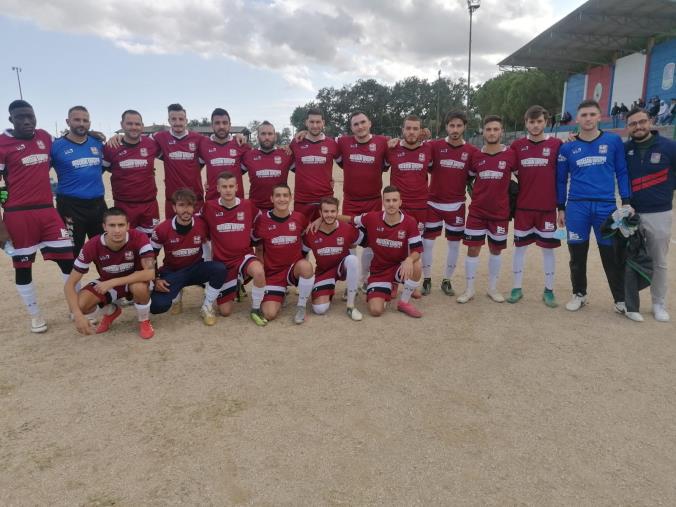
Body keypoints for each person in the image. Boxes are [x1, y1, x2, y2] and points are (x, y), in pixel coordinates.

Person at [0, 99, 74, 333]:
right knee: (23, 267)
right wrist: (0, 229)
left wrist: (90, 133)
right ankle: (35, 315)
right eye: (20, 117)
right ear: (11, 119)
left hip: (47, 211)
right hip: (17, 215)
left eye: (30, 116)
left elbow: (67, 143)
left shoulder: (44, 137)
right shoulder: (1, 144)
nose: (26, 121)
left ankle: (76, 307)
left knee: (68, 262)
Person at [556, 99, 631, 313]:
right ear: (577, 119)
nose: (588, 119)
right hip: (577, 207)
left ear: (600, 117)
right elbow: (561, 180)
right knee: (577, 255)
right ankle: (579, 294)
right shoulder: (567, 147)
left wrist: (625, 202)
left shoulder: (613, 141)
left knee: (612, 254)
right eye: (584, 115)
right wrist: (560, 207)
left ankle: (620, 299)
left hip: (606, 207)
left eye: (592, 114)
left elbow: (622, 171)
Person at [65, 207, 156, 339]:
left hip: (132, 281)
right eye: (112, 225)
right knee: (81, 305)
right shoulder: (92, 245)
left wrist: (113, 282)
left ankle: (144, 320)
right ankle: (111, 311)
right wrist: (77, 315)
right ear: (104, 227)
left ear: (128, 226)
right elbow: (69, 285)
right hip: (108, 282)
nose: (117, 230)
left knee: (139, 287)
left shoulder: (139, 237)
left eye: (121, 225)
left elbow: (150, 274)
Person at [507, 105, 563, 307]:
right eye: (532, 122)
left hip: (547, 208)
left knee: (548, 250)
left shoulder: (557, 144)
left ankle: (549, 290)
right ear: (526, 123)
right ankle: (516, 287)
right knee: (519, 249)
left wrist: (561, 207)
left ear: (546, 122)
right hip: (523, 208)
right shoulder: (517, 146)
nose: (536, 125)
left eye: (539, 121)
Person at [624, 107, 676, 322]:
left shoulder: (669, 147)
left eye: (642, 122)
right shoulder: (625, 149)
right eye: (633, 123)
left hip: (659, 213)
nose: (638, 126)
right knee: (628, 260)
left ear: (651, 122)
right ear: (628, 127)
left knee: (659, 260)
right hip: (631, 213)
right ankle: (629, 303)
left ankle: (658, 303)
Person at [458, 115, 517, 304]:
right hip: (477, 213)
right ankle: (469, 289)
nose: (492, 133)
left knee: (496, 250)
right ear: (483, 131)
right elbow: (468, 179)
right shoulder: (476, 155)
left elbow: (522, 179)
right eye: (488, 129)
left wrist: (512, 203)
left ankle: (492, 289)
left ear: (502, 131)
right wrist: (474, 195)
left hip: (500, 214)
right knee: (472, 249)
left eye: (496, 129)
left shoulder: (510, 154)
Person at [149, 189, 226, 325]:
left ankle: (207, 306)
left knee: (219, 269)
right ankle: (177, 296)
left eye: (189, 205)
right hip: (173, 271)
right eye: (181, 205)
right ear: (174, 207)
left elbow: (210, 243)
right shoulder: (162, 229)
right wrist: (155, 279)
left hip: (195, 268)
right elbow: (150, 257)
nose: (186, 210)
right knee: (157, 306)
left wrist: (209, 261)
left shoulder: (201, 224)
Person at [421, 110, 478, 296]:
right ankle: (427, 279)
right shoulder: (434, 146)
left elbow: (472, 177)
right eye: (451, 125)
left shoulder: (471, 151)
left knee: (454, 244)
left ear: (464, 127)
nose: (455, 129)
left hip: (457, 205)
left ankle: (447, 279)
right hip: (433, 203)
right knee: (427, 243)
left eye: (459, 125)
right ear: (446, 127)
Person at [200, 171, 268, 325]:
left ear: (237, 187)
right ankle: (236, 283)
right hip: (222, 263)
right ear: (217, 188)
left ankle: (256, 309)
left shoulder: (247, 205)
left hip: (243, 256)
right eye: (224, 187)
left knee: (258, 272)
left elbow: (260, 219)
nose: (228, 190)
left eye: (231, 186)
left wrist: (255, 239)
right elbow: (198, 223)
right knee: (225, 312)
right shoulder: (209, 206)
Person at [354, 185, 423, 318]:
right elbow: (351, 220)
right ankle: (389, 287)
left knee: (416, 264)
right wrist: (323, 218)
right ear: (383, 202)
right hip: (379, 271)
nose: (391, 204)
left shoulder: (410, 221)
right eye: (388, 200)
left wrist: (409, 259)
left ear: (400, 202)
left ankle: (403, 302)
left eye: (394, 200)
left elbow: (417, 250)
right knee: (376, 311)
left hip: (399, 267)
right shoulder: (372, 217)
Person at [253, 184, 315, 324]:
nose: (282, 199)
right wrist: (261, 274)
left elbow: (310, 233)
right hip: (273, 274)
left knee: (306, 266)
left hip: (293, 270)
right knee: (269, 314)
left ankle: (301, 306)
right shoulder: (263, 219)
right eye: (278, 196)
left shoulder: (299, 218)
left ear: (290, 198)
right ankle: (280, 293)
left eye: (285, 195)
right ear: (272, 199)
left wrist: (318, 220)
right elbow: (258, 248)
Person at [51, 105, 107, 256]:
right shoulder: (55, 146)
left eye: (85, 120)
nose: (81, 123)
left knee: (104, 248)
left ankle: (106, 280)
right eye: (77, 120)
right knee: (72, 251)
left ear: (89, 123)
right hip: (70, 207)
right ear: (68, 121)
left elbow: (105, 166)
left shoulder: (97, 143)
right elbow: (40, 172)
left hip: (98, 205)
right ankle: (75, 281)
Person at [303, 196, 364, 321]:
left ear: (337, 212)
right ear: (320, 213)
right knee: (320, 309)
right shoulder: (311, 232)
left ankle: (351, 306)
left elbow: (366, 240)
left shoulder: (347, 229)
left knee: (352, 259)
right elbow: (301, 254)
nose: (329, 215)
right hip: (324, 272)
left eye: (332, 211)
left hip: (342, 268)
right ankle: (328, 290)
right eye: (326, 212)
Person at [103, 110, 161, 236]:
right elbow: (104, 169)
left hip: (149, 205)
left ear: (142, 126)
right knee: (126, 245)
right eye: (129, 123)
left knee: (151, 245)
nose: (134, 127)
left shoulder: (151, 144)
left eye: (137, 124)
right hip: (124, 205)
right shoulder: (111, 146)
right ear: (122, 125)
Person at [151, 104, 206, 218]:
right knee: (173, 232)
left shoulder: (199, 139)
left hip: (195, 196)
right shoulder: (160, 137)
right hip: (172, 198)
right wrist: (119, 138)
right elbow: (138, 142)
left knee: (197, 232)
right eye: (173, 119)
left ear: (186, 120)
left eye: (181, 119)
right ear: (169, 120)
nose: (177, 122)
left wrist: (239, 137)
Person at [288, 108, 340, 222]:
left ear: (323, 123)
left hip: (325, 199)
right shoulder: (296, 142)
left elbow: (345, 163)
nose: (315, 125)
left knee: (325, 234)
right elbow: (289, 164)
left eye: (318, 122)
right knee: (302, 233)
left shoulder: (332, 143)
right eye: (311, 122)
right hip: (302, 200)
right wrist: (305, 172)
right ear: (306, 123)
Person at [386, 115, 433, 232]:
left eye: (415, 129)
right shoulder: (392, 148)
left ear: (421, 131)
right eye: (408, 128)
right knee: (397, 241)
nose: (411, 132)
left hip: (421, 205)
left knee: (417, 241)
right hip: (398, 205)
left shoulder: (429, 148)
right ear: (402, 130)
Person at [241, 121, 293, 212]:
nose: (267, 137)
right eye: (263, 134)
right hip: (255, 208)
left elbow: (305, 171)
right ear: (258, 137)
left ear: (275, 136)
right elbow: (233, 173)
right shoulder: (248, 155)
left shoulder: (286, 154)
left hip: (279, 208)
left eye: (270, 134)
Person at [200, 107, 250, 202]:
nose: (221, 126)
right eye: (217, 123)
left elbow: (249, 167)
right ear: (212, 125)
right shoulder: (203, 144)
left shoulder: (240, 144)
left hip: (236, 200)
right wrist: (208, 182)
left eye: (225, 123)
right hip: (212, 200)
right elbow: (193, 167)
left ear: (230, 125)